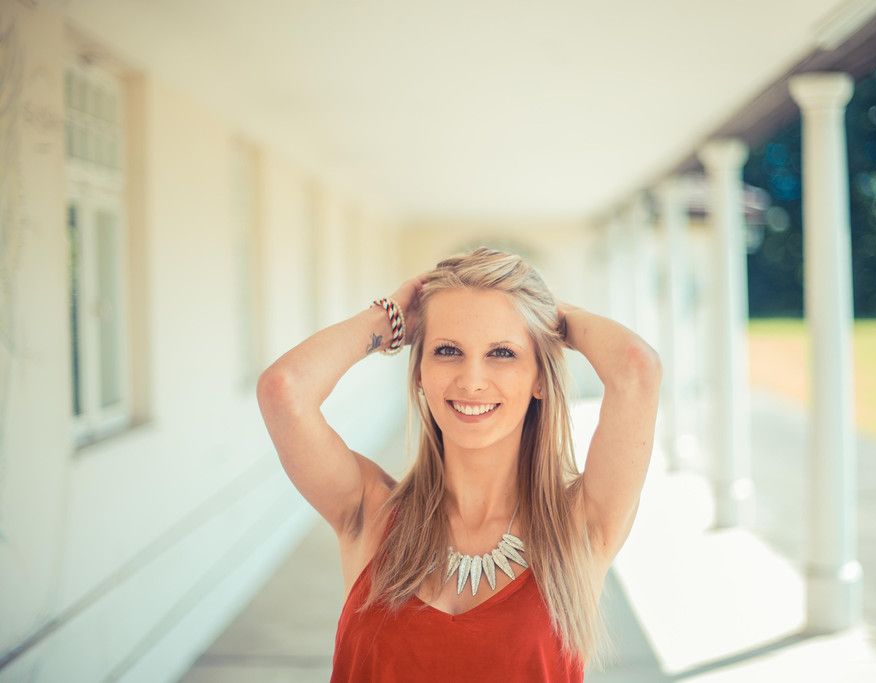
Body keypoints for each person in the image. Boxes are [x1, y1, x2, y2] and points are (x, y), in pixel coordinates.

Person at [256, 247, 661, 681]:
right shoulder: (368, 510)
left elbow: (636, 367)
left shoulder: (580, 525)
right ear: (419, 373)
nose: (471, 381)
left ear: (540, 377)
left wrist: (552, 315)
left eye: (502, 353)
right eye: (448, 350)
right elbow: (284, 389)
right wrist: (388, 317)